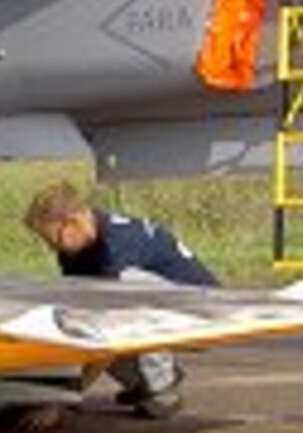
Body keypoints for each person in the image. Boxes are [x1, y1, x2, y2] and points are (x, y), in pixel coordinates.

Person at [23, 179, 219, 418]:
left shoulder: (115, 251)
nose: (53, 249)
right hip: (173, 308)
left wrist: (64, 400)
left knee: (120, 301)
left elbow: (107, 339)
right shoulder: (78, 250)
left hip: (204, 312)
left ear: (72, 222)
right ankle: (145, 383)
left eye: (53, 239)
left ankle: (160, 386)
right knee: (87, 315)